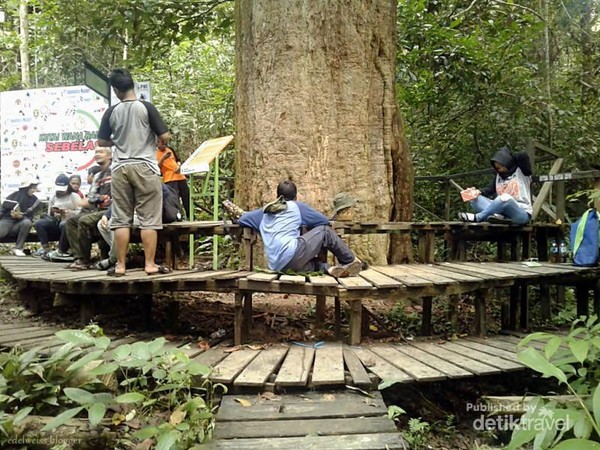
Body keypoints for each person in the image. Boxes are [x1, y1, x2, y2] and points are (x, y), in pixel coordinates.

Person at [97, 68, 171, 277]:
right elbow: (165, 134)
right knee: (149, 218)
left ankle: (120, 266)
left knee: (120, 218)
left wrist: (118, 141)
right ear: (133, 86)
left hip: (120, 168)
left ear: (116, 90)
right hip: (146, 166)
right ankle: (149, 265)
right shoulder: (146, 107)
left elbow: (102, 141)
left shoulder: (112, 111)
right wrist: (158, 139)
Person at [232, 180, 363, 277]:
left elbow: (242, 219)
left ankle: (329, 269)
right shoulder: (296, 207)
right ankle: (350, 260)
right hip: (292, 254)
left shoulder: (263, 212)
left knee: (314, 264)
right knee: (325, 231)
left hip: (277, 266)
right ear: (295, 197)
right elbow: (323, 221)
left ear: (278, 197)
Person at [61, 147, 112, 268]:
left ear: (109, 156)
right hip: (99, 210)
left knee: (84, 221)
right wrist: (97, 199)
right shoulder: (98, 176)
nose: (98, 154)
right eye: (96, 152)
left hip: (113, 210)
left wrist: (97, 199)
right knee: (71, 221)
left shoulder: (116, 171)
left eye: (101, 152)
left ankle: (85, 259)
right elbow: (91, 197)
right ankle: (81, 258)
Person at [459, 147, 532, 224]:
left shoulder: (523, 172)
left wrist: (508, 156)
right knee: (475, 199)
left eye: (501, 167)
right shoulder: (499, 176)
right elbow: (488, 190)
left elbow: (522, 155)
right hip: (502, 213)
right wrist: (476, 192)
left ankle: (477, 217)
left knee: (504, 198)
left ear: (507, 162)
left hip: (521, 213)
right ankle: (498, 217)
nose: (499, 170)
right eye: (497, 168)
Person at [33, 174, 81, 258]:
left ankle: (62, 249)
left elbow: (80, 212)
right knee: (39, 223)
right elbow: (49, 216)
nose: (61, 191)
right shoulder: (54, 197)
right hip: (56, 222)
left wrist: (68, 212)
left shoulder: (74, 196)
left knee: (64, 224)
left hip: (70, 224)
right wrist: (53, 212)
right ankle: (45, 248)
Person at [0, 174, 41, 256]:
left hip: (21, 223)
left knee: (27, 222)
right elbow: (3, 209)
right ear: (26, 188)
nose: (34, 190)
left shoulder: (35, 200)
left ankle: (18, 248)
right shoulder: (14, 196)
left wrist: (21, 216)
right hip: (7, 221)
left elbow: (31, 217)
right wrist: (12, 214)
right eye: (32, 187)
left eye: (35, 187)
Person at [156, 141, 190, 219]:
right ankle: (177, 217)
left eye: (166, 144)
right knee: (174, 199)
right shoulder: (155, 153)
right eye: (162, 144)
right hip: (169, 178)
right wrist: (163, 158)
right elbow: (157, 168)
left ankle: (190, 216)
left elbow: (178, 160)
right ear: (158, 143)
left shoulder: (170, 149)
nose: (165, 146)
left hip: (180, 176)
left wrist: (178, 165)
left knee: (186, 197)